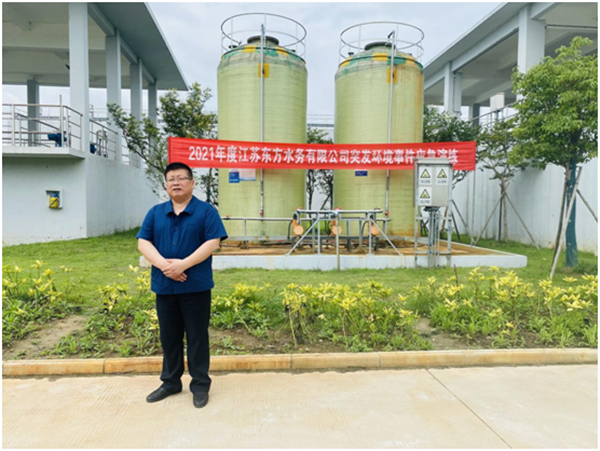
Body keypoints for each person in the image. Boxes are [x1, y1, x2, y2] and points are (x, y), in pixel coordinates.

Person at [137, 162, 227, 408]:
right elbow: (143, 243)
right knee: (169, 337)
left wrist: (183, 265)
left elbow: (213, 242)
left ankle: (200, 385)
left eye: (181, 178)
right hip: (165, 287)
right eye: (171, 179)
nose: (175, 183)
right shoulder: (156, 212)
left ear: (192, 183)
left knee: (197, 337)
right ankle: (170, 382)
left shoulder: (206, 211)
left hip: (195, 287)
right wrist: (166, 267)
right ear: (166, 185)